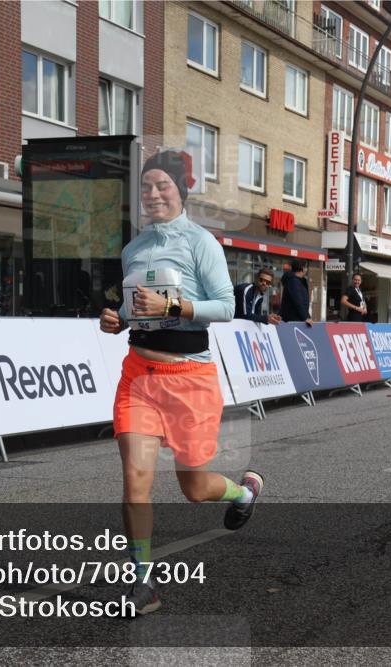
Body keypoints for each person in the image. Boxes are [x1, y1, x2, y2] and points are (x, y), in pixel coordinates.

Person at [99, 150, 263, 616]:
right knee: (135, 480)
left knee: (194, 487)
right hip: (139, 377)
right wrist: (117, 319)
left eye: (162, 186)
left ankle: (244, 491)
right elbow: (134, 308)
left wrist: (174, 309)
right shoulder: (134, 248)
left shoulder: (200, 242)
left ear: (180, 191)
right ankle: (143, 582)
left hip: (189, 377)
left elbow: (226, 307)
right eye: (146, 187)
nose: (153, 195)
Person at [280, 259, 312, 326]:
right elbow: (298, 300)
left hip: (298, 319)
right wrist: (306, 317)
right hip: (293, 320)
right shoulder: (293, 281)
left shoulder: (299, 281)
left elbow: (302, 302)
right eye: (306, 267)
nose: (306, 270)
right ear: (302, 268)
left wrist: (307, 316)